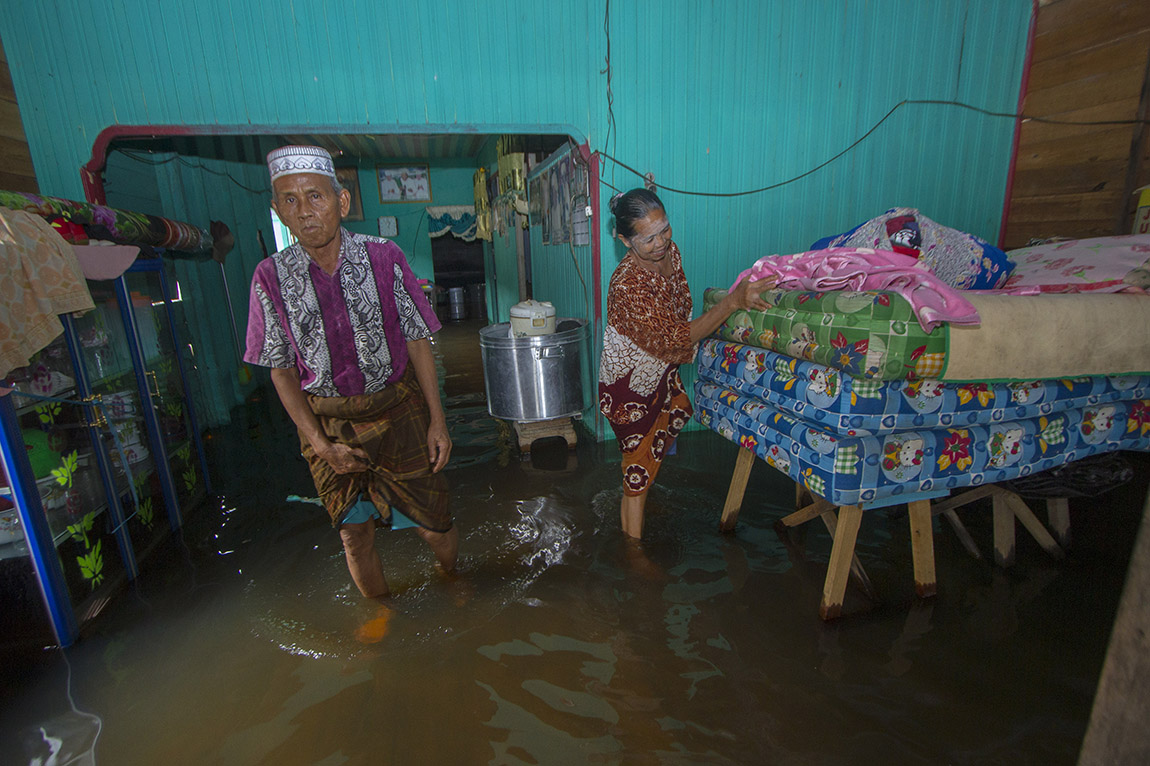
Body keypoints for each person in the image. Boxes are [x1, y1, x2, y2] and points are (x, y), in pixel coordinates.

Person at [245, 145, 457, 604]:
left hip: (396, 410)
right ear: (277, 210)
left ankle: (455, 581)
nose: (304, 211)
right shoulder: (269, 277)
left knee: (433, 524)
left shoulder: (384, 257)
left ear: (341, 202)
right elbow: (281, 370)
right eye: (290, 200)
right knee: (354, 534)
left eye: (315, 196)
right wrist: (322, 447)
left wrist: (437, 421)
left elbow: (418, 339)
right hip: (326, 424)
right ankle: (381, 615)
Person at [598, 188, 776, 539]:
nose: (661, 242)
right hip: (629, 388)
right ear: (625, 241)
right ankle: (632, 555)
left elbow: (678, 308)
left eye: (664, 229)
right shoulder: (627, 285)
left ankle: (644, 497)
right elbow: (677, 337)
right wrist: (731, 303)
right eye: (649, 239)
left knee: (654, 450)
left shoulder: (670, 251)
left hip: (660, 371)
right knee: (636, 478)